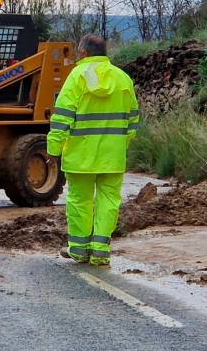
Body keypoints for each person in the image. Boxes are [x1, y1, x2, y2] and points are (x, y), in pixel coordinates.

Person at [47, 34, 139, 267]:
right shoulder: (123, 79)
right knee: (109, 201)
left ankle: (78, 250)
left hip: (81, 156)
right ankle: (100, 250)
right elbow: (133, 121)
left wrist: (53, 149)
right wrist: (119, 146)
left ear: (84, 53)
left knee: (79, 201)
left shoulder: (76, 77)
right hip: (112, 156)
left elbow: (62, 118)